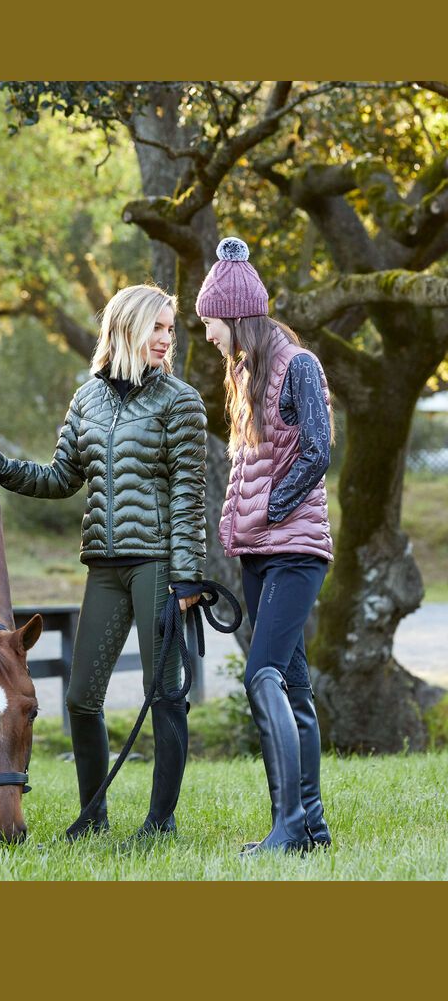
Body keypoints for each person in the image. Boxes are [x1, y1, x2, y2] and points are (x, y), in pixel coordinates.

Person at [0, 284, 206, 842]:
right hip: (105, 564)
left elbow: (190, 493)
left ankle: (159, 823)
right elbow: (60, 478)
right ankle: (93, 817)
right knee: (80, 698)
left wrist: (187, 573)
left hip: (159, 566)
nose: (167, 339)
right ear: (127, 328)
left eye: (172, 329)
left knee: (164, 692)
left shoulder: (181, 401)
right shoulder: (87, 401)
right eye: (158, 328)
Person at [196, 236, 334, 853]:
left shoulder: (298, 365)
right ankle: (312, 827)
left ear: (235, 317)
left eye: (209, 324)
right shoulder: (245, 375)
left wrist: (275, 511)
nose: (206, 336)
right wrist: (243, 533)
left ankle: (286, 828)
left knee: (263, 675)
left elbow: (318, 449)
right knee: (293, 690)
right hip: (258, 551)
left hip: (295, 550)